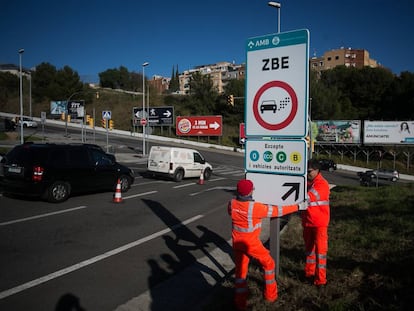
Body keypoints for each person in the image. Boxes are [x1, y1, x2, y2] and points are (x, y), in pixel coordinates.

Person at [228, 179, 308, 310]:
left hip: (237, 243)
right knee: (269, 263)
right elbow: (278, 211)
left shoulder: (232, 204)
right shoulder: (255, 208)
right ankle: (271, 296)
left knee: (240, 272)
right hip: (251, 244)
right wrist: (298, 206)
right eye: (252, 189)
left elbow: (230, 212)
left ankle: (240, 302)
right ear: (249, 192)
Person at [302, 158, 330, 286]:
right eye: (306, 171)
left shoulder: (322, 184)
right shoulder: (310, 183)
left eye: (309, 171)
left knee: (320, 253)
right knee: (309, 251)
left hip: (319, 224)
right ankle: (309, 274)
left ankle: (320, 280)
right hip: (308, 222)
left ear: (317, 170)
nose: (307, 173)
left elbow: (308, 197)